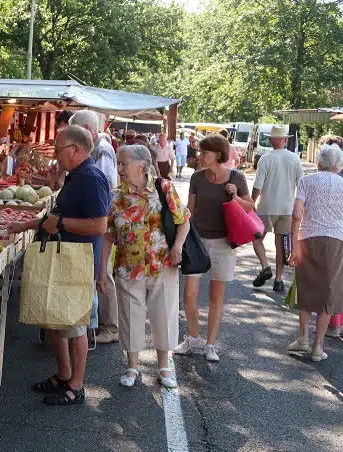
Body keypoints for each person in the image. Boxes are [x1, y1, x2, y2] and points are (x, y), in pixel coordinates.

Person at [8, 125, 110, 405]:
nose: (54, 154)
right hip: (62, 256)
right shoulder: (77, 175)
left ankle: (76, 386)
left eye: (58, 149)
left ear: (76, 150)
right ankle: (63, 374)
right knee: (55, 320)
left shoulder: (91, 177)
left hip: (77, 260)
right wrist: (26, 224)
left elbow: (100, 225)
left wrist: (62, 223)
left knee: (75, 324)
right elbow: (55, 216)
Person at [100, 144, 191, 388]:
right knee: (130, 316)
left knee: (163, 314)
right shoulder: (116, 195)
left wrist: (178, 247)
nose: (119, 169)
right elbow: (108, 234)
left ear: (142, 166)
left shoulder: (163, 188)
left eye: (123, 164)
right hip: (127, 266)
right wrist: (102, 270)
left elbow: (184, 221)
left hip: (162, 263)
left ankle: (164, 367)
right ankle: (132, 367)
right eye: (118, 164)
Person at [175, 134, 256, 362]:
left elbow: (250, 207)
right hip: (198, 240)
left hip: (224, 242)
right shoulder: (197, 178)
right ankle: (193, 338)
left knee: (216, 297)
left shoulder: (237, 177)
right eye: (200, 152)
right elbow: (189, 209)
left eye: (204, 153)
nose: (200, 156)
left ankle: (211, 344)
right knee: (189, 294)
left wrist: (235, 196)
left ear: (218, 155)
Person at [287, 144, 343, 361]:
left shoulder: (306, 181)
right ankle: (318, 346)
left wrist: (293, 246)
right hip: (336, 241)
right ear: (338, 165)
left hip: (308, 238)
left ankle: (302, 337)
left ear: (319, 161)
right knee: (328, 291)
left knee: (306, 287)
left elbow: (296, 215)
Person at [69, 110, 118, 344]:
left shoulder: (102, 150)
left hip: (102, 222)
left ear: (86, 131)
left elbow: (106, 186)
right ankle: (99, 326)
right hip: (99, 220)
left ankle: (110, 326)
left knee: (102, 274)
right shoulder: (99, 148)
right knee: (98, 275)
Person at [250, 125, 304, 293]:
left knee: (257, 237)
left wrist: (251, 203)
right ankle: (279, 279)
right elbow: (300, 185)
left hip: (267, 206)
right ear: (285, 140)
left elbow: (258, 185)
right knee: (280, 244)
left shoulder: (266, 158)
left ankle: (265, 266)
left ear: (272, 140)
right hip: (286, 208)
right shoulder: (295, 159)